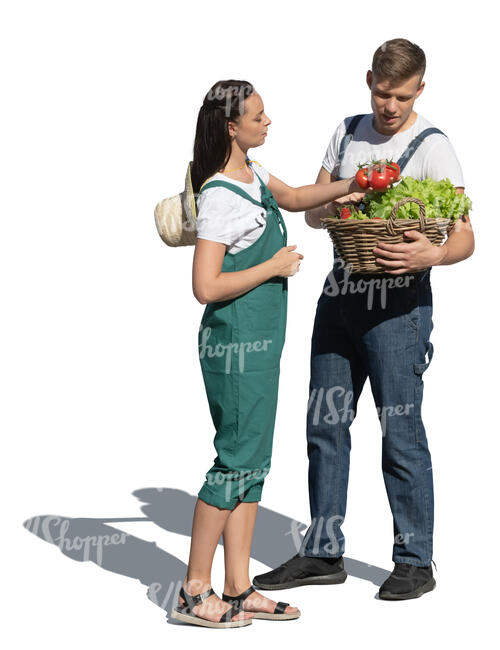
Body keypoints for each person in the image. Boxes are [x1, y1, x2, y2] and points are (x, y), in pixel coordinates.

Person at [253, 38, 474, 601]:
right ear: (369, 79)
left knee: (400, 431)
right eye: (382, 92)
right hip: (339, 296)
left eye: (401, 96)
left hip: (399, 310)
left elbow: (466, 236)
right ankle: (324, 552)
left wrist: (433, 253)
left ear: (418, 90)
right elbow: (317, 207)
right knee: (324, 425)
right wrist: (347, 201)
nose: (389, 107)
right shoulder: (347, 131)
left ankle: (415, 560)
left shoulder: (433, 147)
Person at [171, 80, 368, 628]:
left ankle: (237, 586)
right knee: (233, 462)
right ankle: (192, 590)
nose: (268, 121)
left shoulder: (253, 176)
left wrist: (351, 185)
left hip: (262, 347)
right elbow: (205, 286)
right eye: (258, 115)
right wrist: (273, 267)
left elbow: (301, 197)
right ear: (231, 127)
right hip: (234, 347)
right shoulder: (218, 194)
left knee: (253, 464)